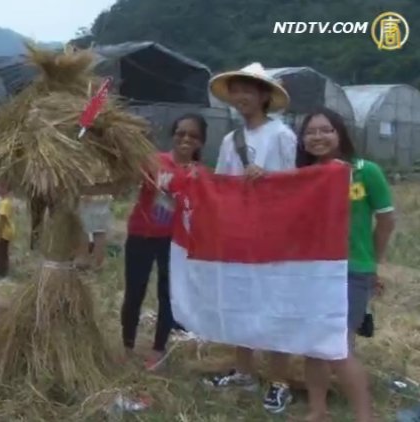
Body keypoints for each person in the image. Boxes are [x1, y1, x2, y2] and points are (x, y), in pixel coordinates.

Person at [207, 62, 298, 414]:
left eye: (248, 89)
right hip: (239, 236)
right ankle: (244, 371)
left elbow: (295, 186)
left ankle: (279, 382)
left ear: (263, 96)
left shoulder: (281, 136)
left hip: (273, 237)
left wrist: (268, 178)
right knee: (241, 304)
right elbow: (220, 184)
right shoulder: (231, 139)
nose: (241, 96)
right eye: (236, 90)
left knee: (274, 308)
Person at [296, 108, 395, 422]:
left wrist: (373, 263)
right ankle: (317, 410)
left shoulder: (366, 171)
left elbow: (386, 221)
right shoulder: (301, 178)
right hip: (312, 270)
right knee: (313, 344)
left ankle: (365, 416)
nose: (318, 137)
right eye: (311, 132)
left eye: (326, 130)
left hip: (352, 270)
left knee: (339, 346)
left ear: (340, 134)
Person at [122, 113, 208, 371]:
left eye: (193, 135)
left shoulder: (201, 175)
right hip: (141, 235)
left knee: (168, 295)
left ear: (201, 142)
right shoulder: (154, 161)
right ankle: (127, 345)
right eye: (181, 133)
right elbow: (128, 174)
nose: (185, 139)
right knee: (134, 291)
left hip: (175, 242)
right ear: (173, 135)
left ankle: (158, 349)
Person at [76, 166, 113, 271]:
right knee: (100, 233)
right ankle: (99, 262)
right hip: (103, 201)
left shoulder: (86, 162)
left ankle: (83, 260)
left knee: (84, 232)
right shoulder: (106, 164)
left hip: (87, 201)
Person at [0, 180, 15, 278]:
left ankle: (2, 273)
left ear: (4, 188)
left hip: (3, 232)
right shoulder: (3, 201)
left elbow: (2, 220)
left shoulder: (5, 203)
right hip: (5, 232)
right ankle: (3, 270)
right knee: (1, 252)